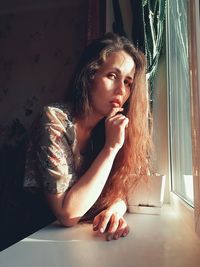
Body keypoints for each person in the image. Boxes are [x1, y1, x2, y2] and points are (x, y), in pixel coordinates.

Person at [24, 32, 152, 241]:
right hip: (34, 240)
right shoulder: (53, 120)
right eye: (112, 76)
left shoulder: (111, 126)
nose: (121, 90)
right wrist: (111, 149)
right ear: (89, 75)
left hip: (77, 241)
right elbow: (68, 214)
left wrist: (114, 211)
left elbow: (124, 188)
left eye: (128, 82)